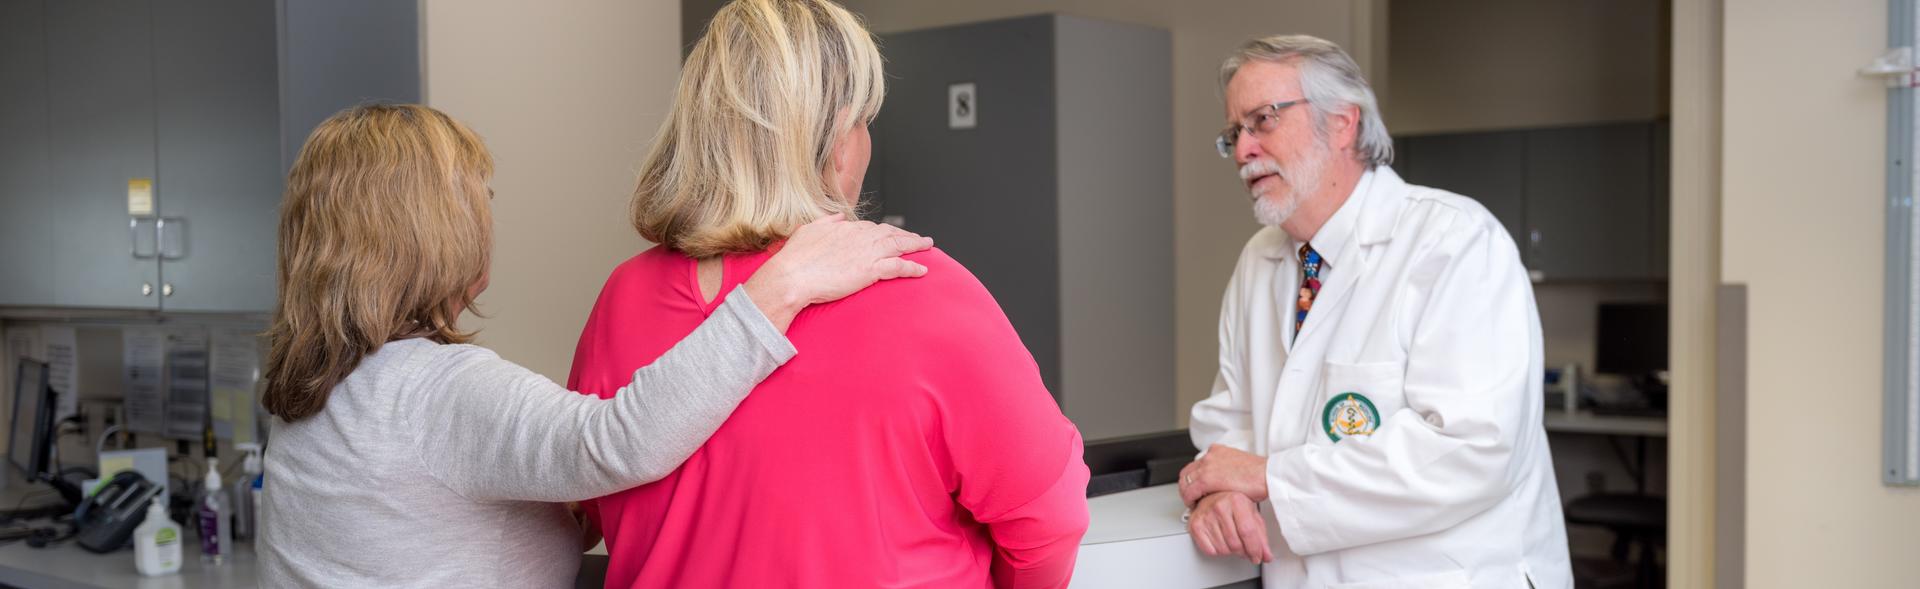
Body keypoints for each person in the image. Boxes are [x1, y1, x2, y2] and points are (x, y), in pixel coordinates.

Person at [257, 103, 934, 587]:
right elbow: (616, 442)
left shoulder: (307, 392)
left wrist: (571, 514)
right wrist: (781, 288)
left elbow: (438, 515)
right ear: (438, 233)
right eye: (479, 199)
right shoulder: (436, 393)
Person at [566, 1, 1090, 587]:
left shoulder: (624, 297)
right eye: (865, 121)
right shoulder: (919, 285)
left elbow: (587, 504)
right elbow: (1049, 519)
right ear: (840, 140)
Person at [1177, 35, 1574, 588]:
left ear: (1342, 122)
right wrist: (1222, 489)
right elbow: (1231, 418)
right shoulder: (1260, 260)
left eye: (1263, 120)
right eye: (1233, 133)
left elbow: (1472, 451)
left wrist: (1268, 477)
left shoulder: (1455, 242)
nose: (1244, 149)